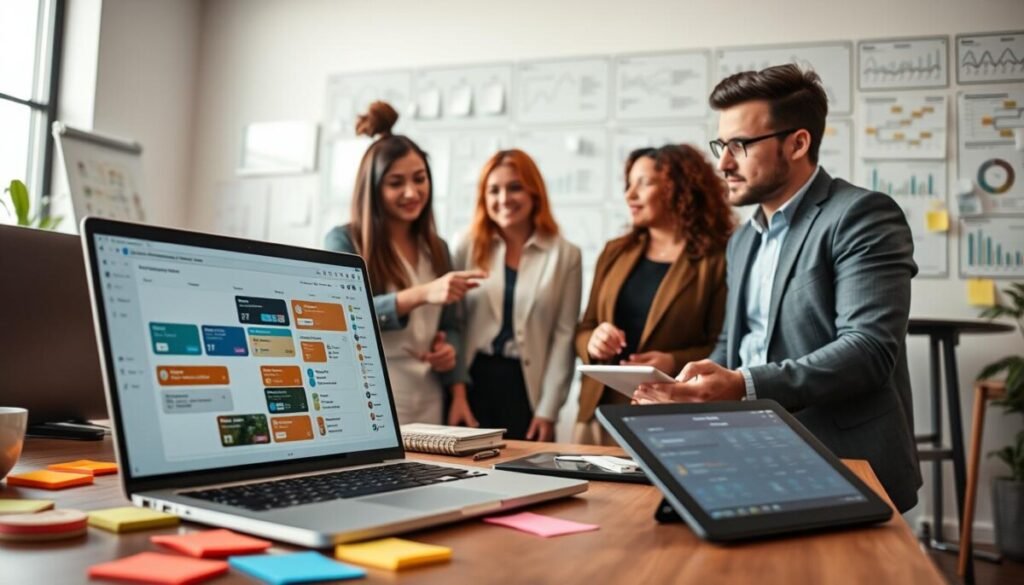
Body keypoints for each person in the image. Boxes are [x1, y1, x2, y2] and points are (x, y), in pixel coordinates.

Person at [634, 64, 922, 512]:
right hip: (745, 457)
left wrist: (744, 385)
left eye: (739, 145)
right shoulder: (744, 239)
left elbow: (868, 350)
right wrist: (686, 388)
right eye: (721, 145)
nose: (723, 163)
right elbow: (735, 344)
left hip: (843, 460)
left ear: (798, 143)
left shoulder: (861, 215)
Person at [324, 101, 484, 426]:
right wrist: (422, 294)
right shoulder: (345, 242)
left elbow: (451, 326)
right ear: (373, 189)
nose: (412, 192)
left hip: (429, 393)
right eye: (396, 183)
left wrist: (449, 360)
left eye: (420, 179)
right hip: (373, 392)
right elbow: (341, 317)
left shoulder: (436, 247)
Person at [574, 143, 734, 444]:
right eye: (629, 184)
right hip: (600, 412)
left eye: (643, 183)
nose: (629, 195)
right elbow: (584, 328)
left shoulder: (717, 260)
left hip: (672, 416)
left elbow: (722, 345)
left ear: (681, 190)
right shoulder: (614, 252)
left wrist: (672, 362)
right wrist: (594, 341)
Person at [452, 149, 582, 440]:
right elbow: (453, 325)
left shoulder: (565, 255)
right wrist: (456, 393)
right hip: (472, 381)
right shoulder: (467, 245)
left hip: (526, 387)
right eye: (493, 190)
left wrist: (548, 410)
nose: (503, 199)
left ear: (534, 192)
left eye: (515, 187)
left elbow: (564, 338)